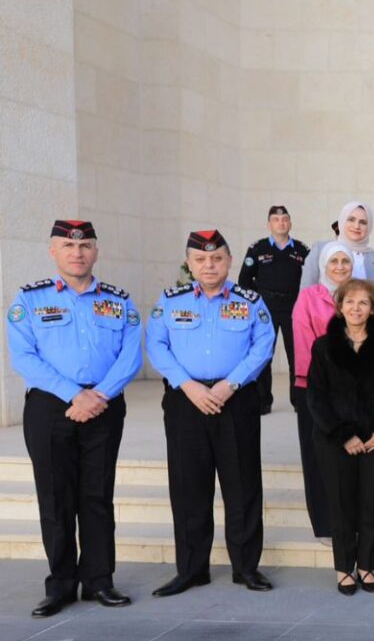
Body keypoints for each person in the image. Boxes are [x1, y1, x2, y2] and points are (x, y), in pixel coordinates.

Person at [7, 220, 142, 618]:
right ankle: (61, 585)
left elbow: (131, 355)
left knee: (97, 496)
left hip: (104, 404)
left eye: (85, 246)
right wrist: (74, 394)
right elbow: (23, 356)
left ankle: (99, 580)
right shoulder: (30, 299)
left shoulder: (118, 301)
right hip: (51, 407)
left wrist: (98, 395)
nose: (77, 253)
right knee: (55, 497)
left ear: (96, 251)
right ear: (53, 251)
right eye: (68, 246)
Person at [146, 230, 277, 596]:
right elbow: (156, 344)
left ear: (229, 261)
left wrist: (230, 384)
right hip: (186, 400)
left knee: (242, 485)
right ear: (189, 264)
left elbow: (263, 344)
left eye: (217, 258)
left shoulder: (250, 301)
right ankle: (191, 569)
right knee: (188, 487)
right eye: (201, 259)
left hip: (235, 399)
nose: (209, 265)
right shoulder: (170, 301)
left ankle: (246, 567)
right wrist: (187, 385)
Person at [305, 278, 374, 594]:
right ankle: (343, 567)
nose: (356, 308)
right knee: (341, 504)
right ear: (340, 307)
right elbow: (316, 397)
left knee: (371, 503)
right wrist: (343, 435)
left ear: (373, 309)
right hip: (335, 439)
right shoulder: (324, 346)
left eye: (363, 302)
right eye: (349, 302)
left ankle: (366, 565)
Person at [292, 244, 356, 541]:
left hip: (353, 391)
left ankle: (350, 519)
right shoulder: (308, 297)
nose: (340, 266)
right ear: (322, 265)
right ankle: (325, 522)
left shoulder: (358, 295)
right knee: (318, 457)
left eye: (345, 261)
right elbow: (305, 342)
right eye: (334, 261)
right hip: (315, 389)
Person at [239, 205, 308, 415]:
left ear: (290, 223)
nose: (281, 223)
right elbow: (244, 280)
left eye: (285, 219)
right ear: (269, 224)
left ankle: (299, 401)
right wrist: (258, 301)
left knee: (296, 355)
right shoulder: (257, 249)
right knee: (263, 354)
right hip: (266, 309)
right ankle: (263, 401)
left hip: (293, 308)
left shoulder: (301, 250)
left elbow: (312, 278)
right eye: (276, 220)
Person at [302, 201, 374, 288]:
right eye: (351, 220)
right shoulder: (320, 249)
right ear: (342, 221)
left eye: (363, 222)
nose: (356, 226)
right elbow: (306, 290)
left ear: (369, 227)